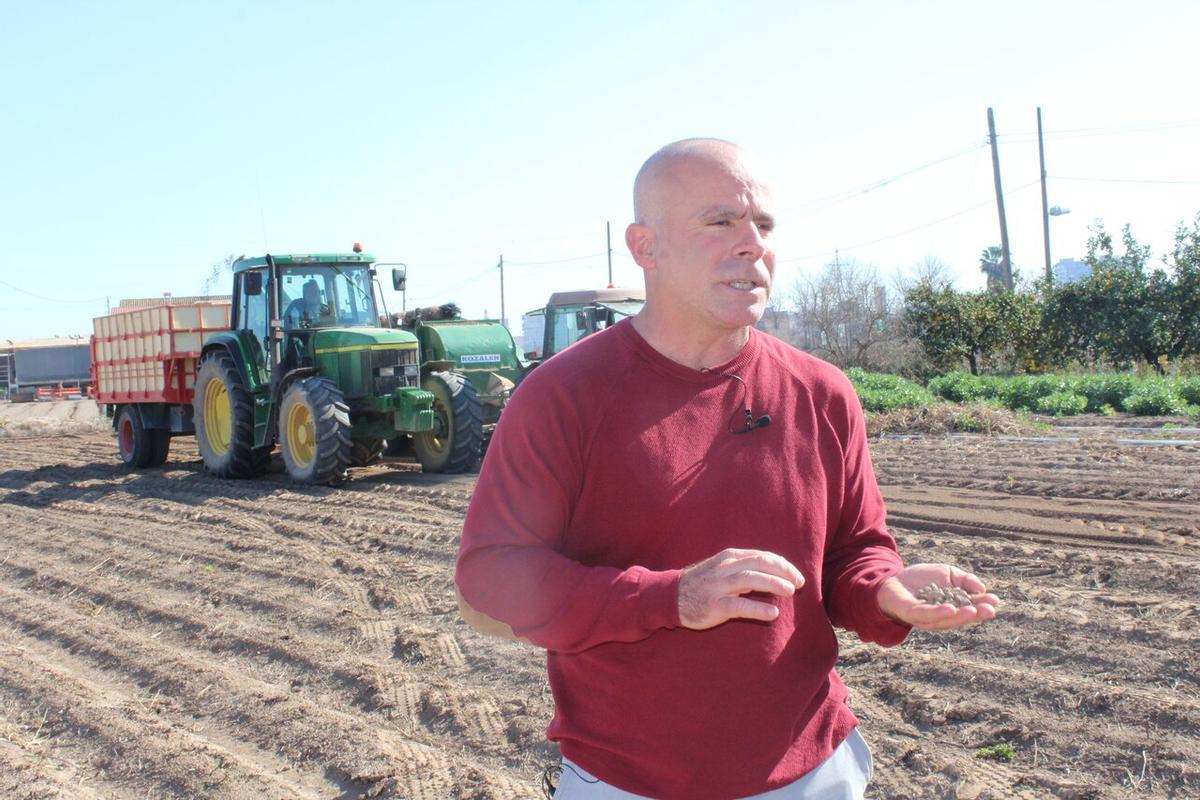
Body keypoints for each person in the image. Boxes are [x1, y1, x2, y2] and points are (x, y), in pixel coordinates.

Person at [455, 138, 998, 800]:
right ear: (644, 246)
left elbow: (855, 552)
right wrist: (671, 597)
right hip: (628, 782)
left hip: (814, 774)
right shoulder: (563, 397)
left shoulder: (822, 392)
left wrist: (883, 591)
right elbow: (493, 575)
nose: (752, 245)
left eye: (763, 225)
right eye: (720, 223)